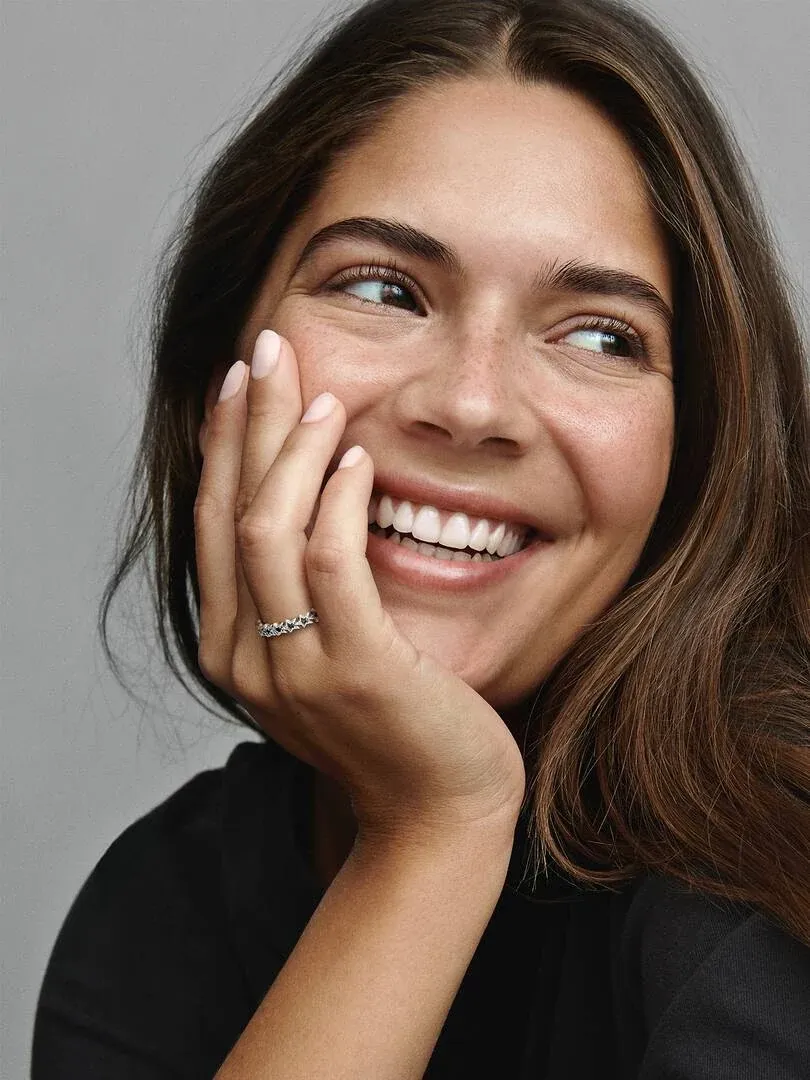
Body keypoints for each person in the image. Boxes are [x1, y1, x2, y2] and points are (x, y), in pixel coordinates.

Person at [32, 0, 810, 1076]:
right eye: (383, 288)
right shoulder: (163, 918)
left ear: (695, 445)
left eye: (600, 334)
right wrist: (433, 834)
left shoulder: (764, 894)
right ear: (221, 370)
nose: (471, 403)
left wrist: (430, 827)